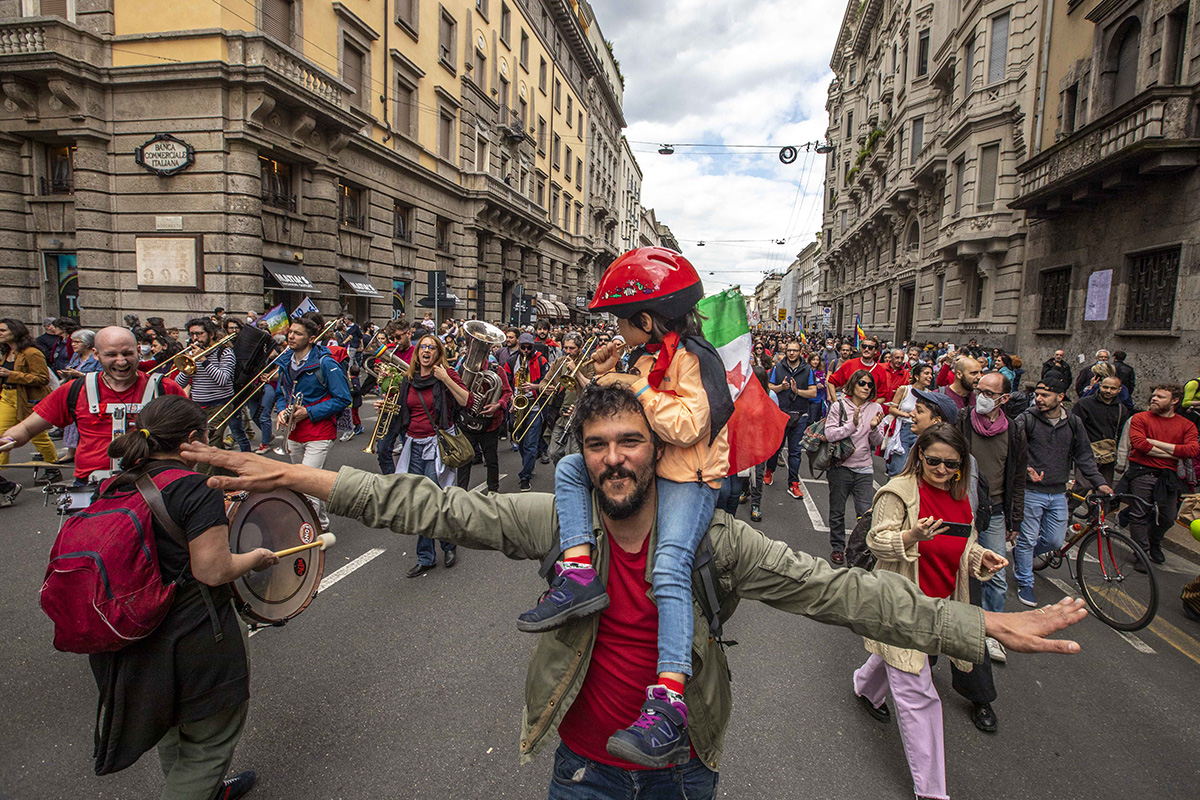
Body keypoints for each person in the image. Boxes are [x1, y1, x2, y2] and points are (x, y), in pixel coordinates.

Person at [180, 382, 1089, 799]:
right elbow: (431, 504)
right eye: (599, 445)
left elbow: (843, 594)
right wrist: (296, 477)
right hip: (584, 769)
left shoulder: (716, 539)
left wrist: (977, 622)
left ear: (658, 450)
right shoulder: (554, 523)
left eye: (631, 442)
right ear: (584, 456)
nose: (616, 458)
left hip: (685, 765)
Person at [519, 247, 745, 768]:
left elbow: (689, 426)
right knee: (576, 466)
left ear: (646, 319)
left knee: (667, 570)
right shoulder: (647, 356)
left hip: (689, 476)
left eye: (622, 322)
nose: (617, 331)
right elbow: (619, 413)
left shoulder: (691, 357)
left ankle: (667, 703)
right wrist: (601, 376)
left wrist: (636, 382)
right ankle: (577, 572)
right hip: (658, 466)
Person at [85, 395, 273, 799]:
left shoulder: (114, 483)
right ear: (192, 439)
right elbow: (213, 570)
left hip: (128, 634)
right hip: (189, 634)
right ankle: (196, 788)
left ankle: (202, 790)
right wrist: (255, 558)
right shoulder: (194, 487)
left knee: (170, 722)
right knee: (209, 740)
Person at [853, 423, 1008, 800]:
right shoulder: (898, 492)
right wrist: (911, 536)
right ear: (919, 455)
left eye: (951, 464)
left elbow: (964, 544)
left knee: (895, 661)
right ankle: (932, 792)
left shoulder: (960, 497)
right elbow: (877, 541)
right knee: (919, 693)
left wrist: (980, 557)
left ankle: (864, 687)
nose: (941, 470)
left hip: (942, 605)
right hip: (902, 607)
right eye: (934, 461)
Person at [0, 327, 186, 489]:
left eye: (127, 353)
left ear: (138, 351)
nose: (121, 361)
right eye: (111, 355)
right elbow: (27, 427)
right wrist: (8, 439)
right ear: (96, 355)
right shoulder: (75, 389)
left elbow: (193, 435)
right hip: (91, 486)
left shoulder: (165, 388)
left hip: (152, 484)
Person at [1012, 376, 1112, 607]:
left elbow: (1084, 456)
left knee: (1055, 540)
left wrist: (1099, 482)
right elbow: (1012, 449)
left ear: (1060, 397)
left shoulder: (1074, 423)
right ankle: (1025, 582)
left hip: (1058, 492)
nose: (1039, 399)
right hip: (1031, 491)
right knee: (1026, 539)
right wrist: (1026, 469)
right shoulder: (1026, 419)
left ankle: (1022, 556)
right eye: (1037, 394)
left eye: (1045, 395)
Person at [955, 371, 1027, 659]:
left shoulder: (1015, 431)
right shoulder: (962, 420)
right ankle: (956, 625)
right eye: (978, 390)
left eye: (988, 393)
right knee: (956, 568)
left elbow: (1018, 477)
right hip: (960, 506)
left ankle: (992, 630)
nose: (980, 397)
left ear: (1004, 399)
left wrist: (1015, 519)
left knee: (996, 573)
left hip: (995, 511)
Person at [390, 333, 470, 576]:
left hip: (437, 444)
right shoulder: (409, 378)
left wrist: (446, 378)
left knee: (433, 500)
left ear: (438, 354)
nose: (426, 351)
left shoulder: (446, 374)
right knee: (419, 501)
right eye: (423, 347)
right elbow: (404, 410)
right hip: (413, 444)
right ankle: (426, 555)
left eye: (432, 348)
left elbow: (466, 400)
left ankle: (446, 544)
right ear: (417, 353)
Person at [272, 312, 351, 532]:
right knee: (307, 482)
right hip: (294, 431)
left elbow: (343, 398)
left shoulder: (327, 364)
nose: (291, 337)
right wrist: (280, 411)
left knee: (306, 484)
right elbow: (281, 394)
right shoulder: (285, 362)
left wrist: (308, 411)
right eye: (290, 333)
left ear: (311, 338)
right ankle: (323, 524)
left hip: (319, 431)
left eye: (298, 334)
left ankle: (310, 532)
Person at [1117, 384, 1200, 563]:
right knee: (1139, 513)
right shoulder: (1140, 418)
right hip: (1141, 471)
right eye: (1153, 395)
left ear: (1175, 401)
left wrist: (1157, 443)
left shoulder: (1186, 425)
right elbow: (1141, 445)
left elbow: (1193, 450)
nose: (1154, 399)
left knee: (1168, 517)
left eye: (1160, 397)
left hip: (1168, 476)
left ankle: (1154, 541)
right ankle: (1142, 552)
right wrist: (1175, 452)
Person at [824, 369, 886, 565]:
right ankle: (837, 547)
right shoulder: (839, 406)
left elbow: (878, 442)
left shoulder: (876, 408)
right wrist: (853, 424)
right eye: (862, 384)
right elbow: (830, 435)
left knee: (866, 513)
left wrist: (874, 428)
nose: (866, 388)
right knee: (837, 510)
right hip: (841, 467)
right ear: (853, 385)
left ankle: (860, 551)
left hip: (864, 468)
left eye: (870, 385)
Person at [0, 319, 61, 497]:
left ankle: (52, 466)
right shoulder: (7, 352)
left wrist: (12, 374)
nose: (0, 333)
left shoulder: (32, 352)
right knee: (3, 435)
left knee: (37, 435)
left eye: (3, 330)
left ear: (15, 331)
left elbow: (42, 378)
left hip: (26, 399)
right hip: (7, 396)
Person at [173, 318, 242, 451]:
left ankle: (205, 472)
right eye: (192, 334)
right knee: (211, 445)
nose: (195, 338)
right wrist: (187, 366)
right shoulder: (192, 354)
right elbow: (179, 384)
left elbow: (222, 380)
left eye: (199, 334)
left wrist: (203, 360)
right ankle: (226, 471)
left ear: (210, 334)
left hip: (220, 404)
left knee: (209, 443)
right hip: (198, 405)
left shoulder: (224, 353)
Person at [456, 345, 513, 496]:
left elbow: (507, 392)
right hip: (467, 420)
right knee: (464, 460)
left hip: (490, 423)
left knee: (491, 459)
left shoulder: (496, 370)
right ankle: (461, 493)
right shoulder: (463, 370)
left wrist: (498, 405)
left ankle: (493, 491)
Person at [767, 339, 816, 499]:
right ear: (785, 351)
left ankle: (793, 484)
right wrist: (782, 387)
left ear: (800, 352)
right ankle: (769, 471)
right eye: (789, 350)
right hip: (781, 414)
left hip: (800, 415)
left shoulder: (807, 369)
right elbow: (769, 386)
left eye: (795, 350)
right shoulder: (778, 368)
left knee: (795, 452)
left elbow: (813, 393)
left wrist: (797, 391)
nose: (792, 353)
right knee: (775, 448)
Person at [1071, 374, 1132, 494]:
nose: (1108, 391)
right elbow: (1073, 427)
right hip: (1086, 453)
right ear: (1100, 386)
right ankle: (1069, 508)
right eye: (1105, 387)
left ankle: (1097, 512)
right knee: (1083, 485)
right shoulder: (1084, 404)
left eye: (1113, 388)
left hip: (1108, 455)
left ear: (1119, 390)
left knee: (1104, 491)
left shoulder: (1121, 409)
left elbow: (1121, 433)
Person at [507, 332, 550, 492]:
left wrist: (533, 386)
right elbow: (507, 383)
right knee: (521, 442)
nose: (525, 351)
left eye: (528, 348)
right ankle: (528, 464)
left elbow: (549, 383)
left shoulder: (541, 360)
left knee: (531, 445)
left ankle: (525, 477)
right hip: (517, 405)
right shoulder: (511, 361)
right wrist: (511, 397)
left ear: (533, 346)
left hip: (534, 406)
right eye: (522, 347)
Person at [56, 328, 102, 464]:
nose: (73, 345)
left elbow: (101, 376)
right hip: (74, 392)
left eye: (77, 342)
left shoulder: (96, 358)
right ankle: (71, 451)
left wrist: (80, 375)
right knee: (71, 422)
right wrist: (66, 374)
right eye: (72, 342)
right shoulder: (76, 357)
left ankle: (84, 451)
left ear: (87, 344)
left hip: (89, 392)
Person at [547, 334, 591, 466]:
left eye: (572, 348)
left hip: (580, 415)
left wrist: (575, 371)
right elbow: (545, 381)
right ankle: (564, 474)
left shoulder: (588, 363)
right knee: (554, 452)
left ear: (580, 348)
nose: (567, 351)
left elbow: (591, 387)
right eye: (565, 347)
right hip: (560, 414)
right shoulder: (559, 362)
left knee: (575, 454)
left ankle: (575, 481)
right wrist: (546, 388)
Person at [884, 362, 933, 478]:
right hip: (903, 431)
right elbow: (892, 409)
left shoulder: (930, 395)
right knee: (898, 469)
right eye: (926, 373)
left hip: (920, 432)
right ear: (917, 376)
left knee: (916, 469)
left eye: (931, 374)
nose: (930, 376)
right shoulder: (904, 389)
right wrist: (907, 415)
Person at [826, 336, 888, 401]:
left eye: (870, 348)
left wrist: (871, 409)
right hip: (849, 407)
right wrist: (836, 403)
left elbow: (882, 396)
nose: (866, 349)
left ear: (875, 351)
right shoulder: (849, 364)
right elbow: (831, 382)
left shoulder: (880, 370)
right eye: (864, 346)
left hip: (868, 406)